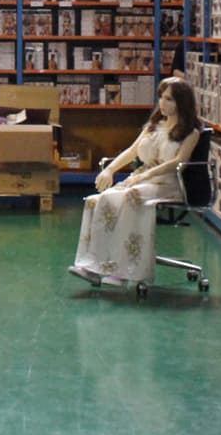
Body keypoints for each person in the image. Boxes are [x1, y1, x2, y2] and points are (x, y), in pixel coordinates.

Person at [69, 77, 202, 289]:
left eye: (168, 99)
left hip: (166, 184)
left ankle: (124, 271)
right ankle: (92, 265)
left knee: (130, 197)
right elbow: (132, 151)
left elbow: (178, 163)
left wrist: (144, 176)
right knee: (98, 200)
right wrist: (110, 169)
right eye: (161, 97)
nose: (162, 103)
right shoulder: (153, 126)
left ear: (181, 102)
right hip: (141, 178)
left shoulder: (191, 133)